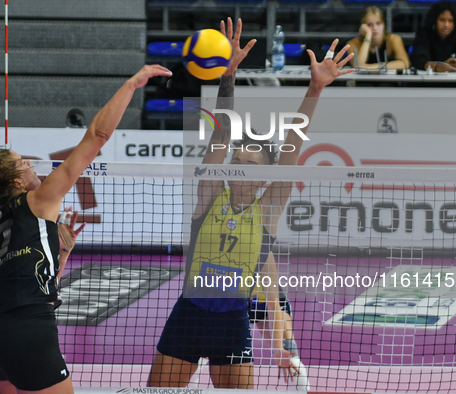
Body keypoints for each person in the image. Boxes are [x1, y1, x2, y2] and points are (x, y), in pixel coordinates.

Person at [0, 64, 172, 394]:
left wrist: (60, 256)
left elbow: (25, 281)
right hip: (29, 336)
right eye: (26, 164)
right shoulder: (39, 199)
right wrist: (133, 83)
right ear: (18, 180)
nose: (33, 166)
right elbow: (97, 137)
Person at [147, 17, 354, 389]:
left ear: (263, 178)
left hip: (233, 322)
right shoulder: (210, 196)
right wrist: (228, 74)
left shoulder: (268, 210)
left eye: (248, 165)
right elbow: (222, 131)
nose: (238, 168)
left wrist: (315, 89)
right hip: (189, 316)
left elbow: (293, 144)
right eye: (236, 162)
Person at [249, 252, 310, 391]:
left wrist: (278, 348)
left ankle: (299, 390)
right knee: (205, 347)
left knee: (288, 352)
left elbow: (273, 305)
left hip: (266, 301)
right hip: (235, 302)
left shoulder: (260, 248)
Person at [410, 1, 456, 72]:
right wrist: (438, 66)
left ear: (455, 22)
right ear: (434, 20)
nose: (446, 25)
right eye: (442, 20)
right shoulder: (424, 34)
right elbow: (418, 60)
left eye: (450, 21)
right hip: (431, 82)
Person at [347, 6, 410, 70]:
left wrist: (374, 67)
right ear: (363, 27)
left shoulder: (393, 39)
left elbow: (405, 63)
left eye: (378, 23)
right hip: (363, 80)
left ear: (383, 24)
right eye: (370, 25)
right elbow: (358, 65)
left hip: (387, 79)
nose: (375, 28)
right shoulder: (353, 43)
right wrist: (368, 36)